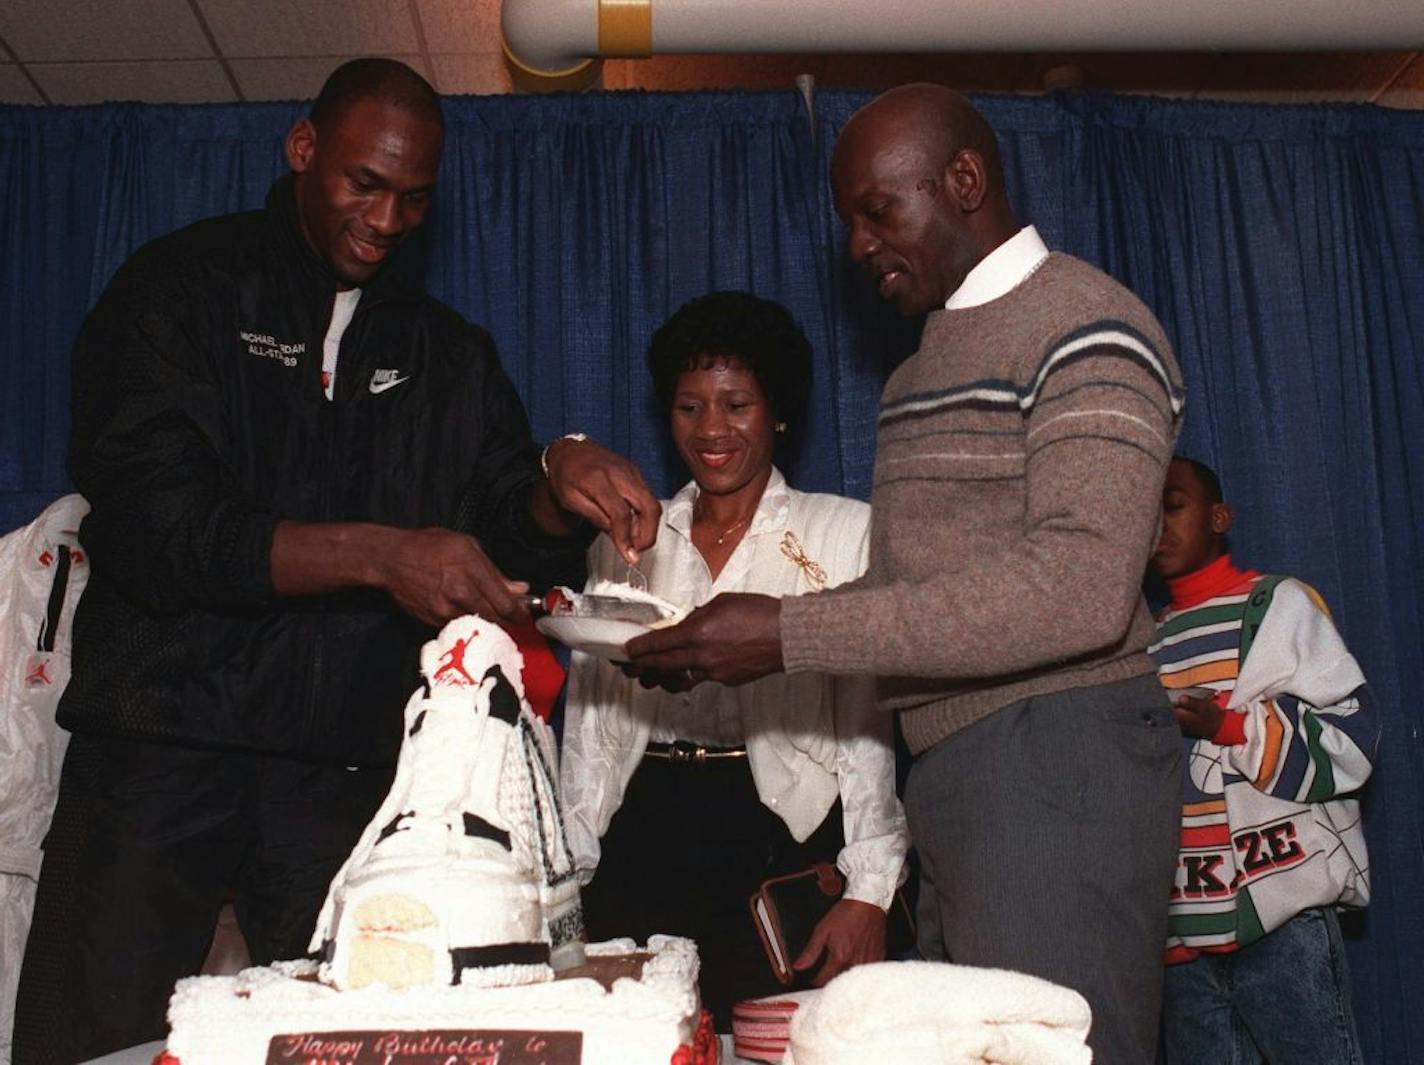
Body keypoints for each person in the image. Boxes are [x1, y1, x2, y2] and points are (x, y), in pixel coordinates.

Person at [13, 58, 660, 1064]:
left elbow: (494, 530)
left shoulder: (448, 351)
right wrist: (377, 556)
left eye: (414, 198)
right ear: (304, 150)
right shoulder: (177, 287)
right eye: (365, 182)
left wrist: (548, 485)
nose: (387, 218)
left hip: (345, 777)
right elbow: (154, 524)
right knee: (96, 1040)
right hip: (161, 746)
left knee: (357, 1041)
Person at [626, 84, 1186, 1065]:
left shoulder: (1088, 323)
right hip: (959, 779)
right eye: (847, 220)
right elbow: (901, 609)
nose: (856, 245)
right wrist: (741, 644)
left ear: (963, 181)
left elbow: (1078, 587)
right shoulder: (916, 373)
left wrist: (786, 633)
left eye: (876, 211)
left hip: (1055, 759)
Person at [560, 291, 909, 1027]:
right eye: (689, 408)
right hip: (644, 830)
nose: (711, 429)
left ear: (778, 411)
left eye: (737, 405)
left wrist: (869, 889)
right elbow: (590, 725)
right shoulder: (624, 535)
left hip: (779, 837)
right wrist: (570, 879)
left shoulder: (844, 533)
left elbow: (866, 727)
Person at [1148, 456, 1376, 1064]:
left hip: (1283, 922)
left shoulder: (1279, 607)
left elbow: (1353, 744)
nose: (1155, 525)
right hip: (1184, 941)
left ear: (1219, 517)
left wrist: (1226, 726)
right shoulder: (1143, 642)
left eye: (1171, 505)